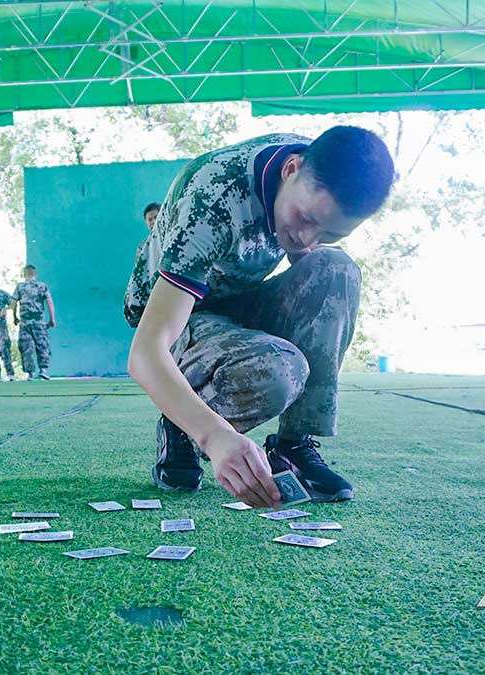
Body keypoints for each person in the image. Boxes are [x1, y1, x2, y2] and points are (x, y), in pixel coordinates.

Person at [123, 126, 395, 508]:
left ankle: (292, 446)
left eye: (330, 231)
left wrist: (315, 257)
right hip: (179, 310)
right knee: (280, 372)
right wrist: (213, 435)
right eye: (304, 217)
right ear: (290, 169)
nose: (306, 237)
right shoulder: (212, 199)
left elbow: (312, 271)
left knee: (336, 269)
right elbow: (146, 353)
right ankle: (183, 422)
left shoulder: (310, 175)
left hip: (240, 295)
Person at [12, 264, 55, 380]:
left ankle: (30, 373)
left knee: (26, 347)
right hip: (39, 321)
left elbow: (14, 302)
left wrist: (14, 317)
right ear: (35, 274)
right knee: (42, 345)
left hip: (25, 322)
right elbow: (49, 302)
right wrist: (52, 319)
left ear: (24, 274)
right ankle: (43, 370)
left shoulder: (20, 287)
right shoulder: (42, 286)